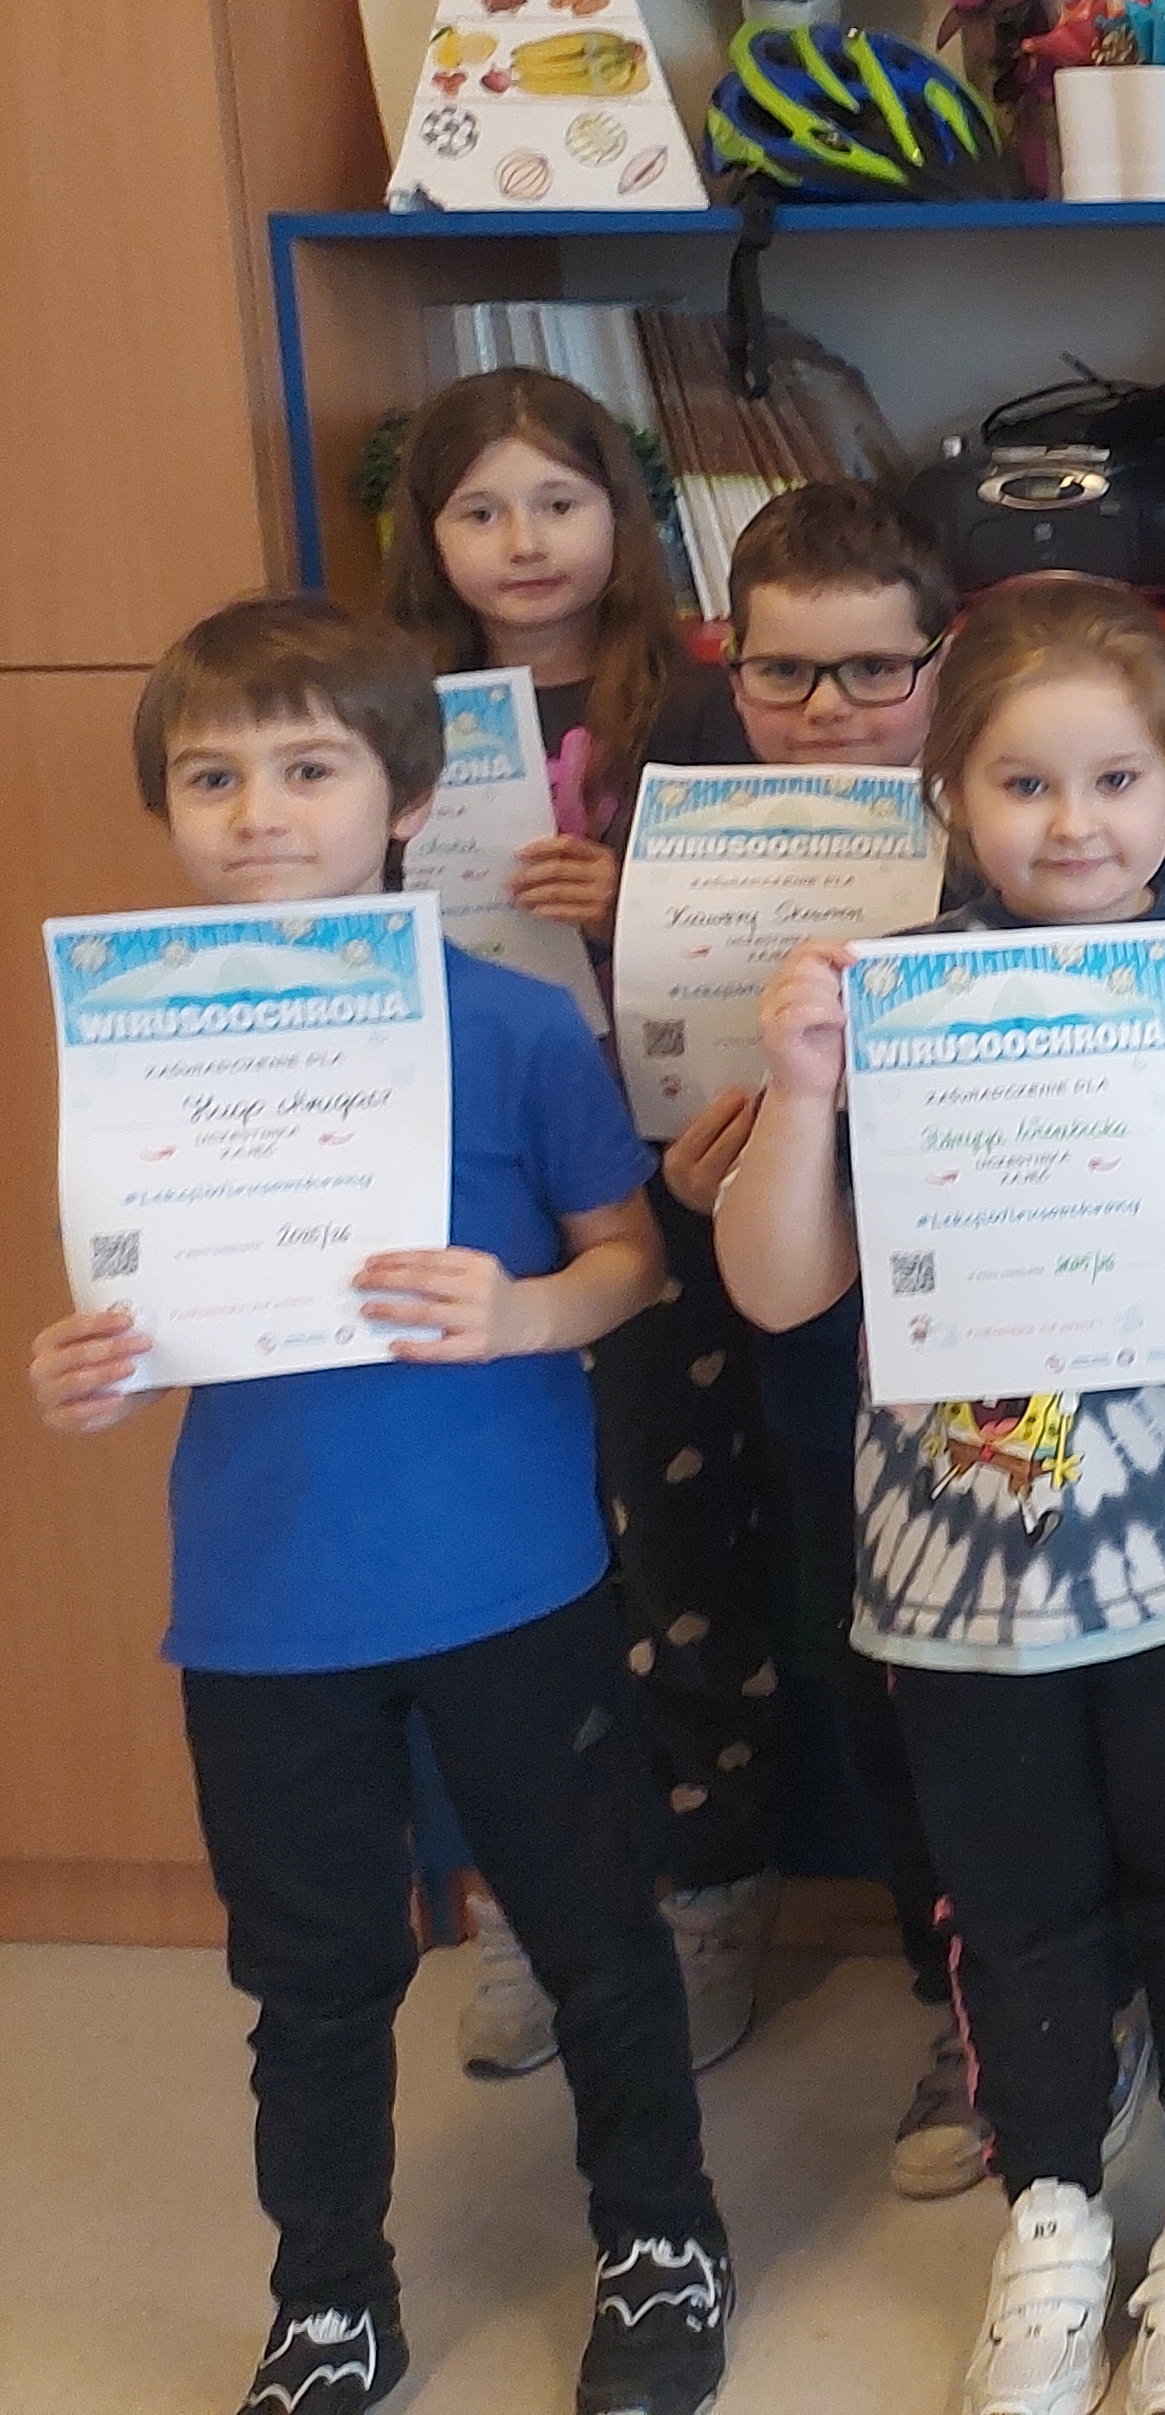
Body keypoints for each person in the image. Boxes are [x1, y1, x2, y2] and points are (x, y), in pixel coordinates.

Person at [28, 595, 729, 2415]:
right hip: (265, 1602)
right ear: (166, 808)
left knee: (591, 1932)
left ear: (407, 798)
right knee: (314, 1977)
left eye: (309, 768)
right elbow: (153, 1315)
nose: (259, 810)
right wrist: (87, 1371)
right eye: (212, 776)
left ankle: (661, 2235)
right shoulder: (143, 1044)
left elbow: (632, 1260)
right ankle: (330, 2297)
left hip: (511, 1577)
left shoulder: (510, 1027)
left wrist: (523, 1312)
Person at [718, 578, 1165, 2415]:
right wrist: (799, 1092)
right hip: (953, 1567)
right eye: (1023, 782)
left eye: (1115, 778)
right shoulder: (887, 996)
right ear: (949, 794)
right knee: (1007, 1899)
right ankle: (1051, 2203)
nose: (1074, 821)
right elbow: (779, 1287)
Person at [639, 479, 1095, 2195]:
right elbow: (691, 1120)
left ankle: (1079, 1993)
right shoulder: (690, 864)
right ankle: (953, 1992)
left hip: (1011, 1339)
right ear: (732, 668)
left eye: (871, 671)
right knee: (879, 1675)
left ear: (942, 665)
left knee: (1030, 1675)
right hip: (822, 1348)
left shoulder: (1021, 842)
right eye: (783, 673)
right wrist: (707, 1166)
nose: (826, 709)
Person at [384, 370, 778, 2077]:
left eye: (558, 499)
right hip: (468, 1184)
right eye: (479, 509)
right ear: (429, 538)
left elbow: (763, 938)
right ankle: (534, 1901)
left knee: (677, 1548)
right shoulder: (390, 716)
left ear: (622, 515)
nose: (523, 539)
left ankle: (711, 1883)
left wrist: (636, 901)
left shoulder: (691, 711)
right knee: (507, 1559)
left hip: (654, 1174)